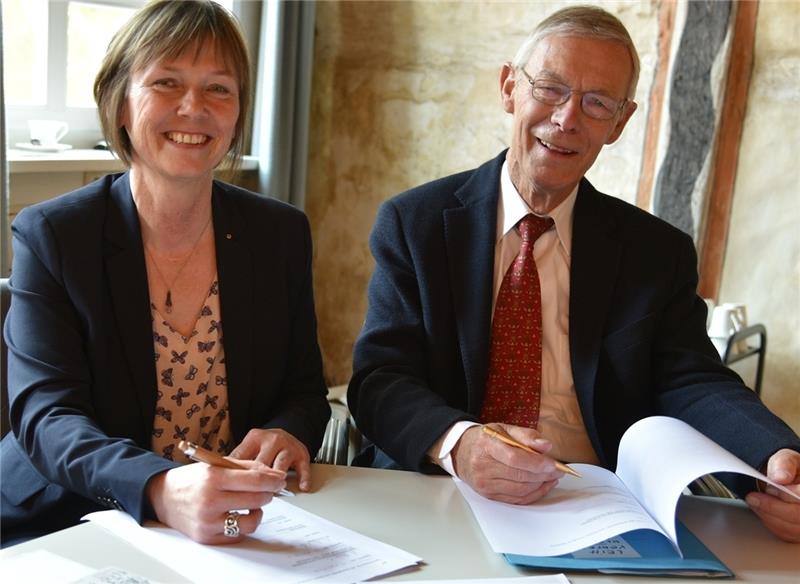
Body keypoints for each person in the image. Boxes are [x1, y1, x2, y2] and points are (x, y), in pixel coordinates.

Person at [348, 5, 800, 543]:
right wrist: (459, 443)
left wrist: (776, 459)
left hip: (596, 502)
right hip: (440, 489)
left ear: (619, 123)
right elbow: (381, 379)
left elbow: (693, 380)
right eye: (550, 88)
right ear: (509, 88)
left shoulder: (657, 252)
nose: (566, 119)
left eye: (597, 102)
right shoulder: (415, 223)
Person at [1, 0, 329, 546]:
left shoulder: (280, 233)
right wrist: (157, 487)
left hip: (225, 526)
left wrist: (287, 432)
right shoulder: (54, 234)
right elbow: (47, 417)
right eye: (166, 83)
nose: (194, 107)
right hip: (65, 519)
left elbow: (305, 390)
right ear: (120, 103)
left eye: (218, 88)